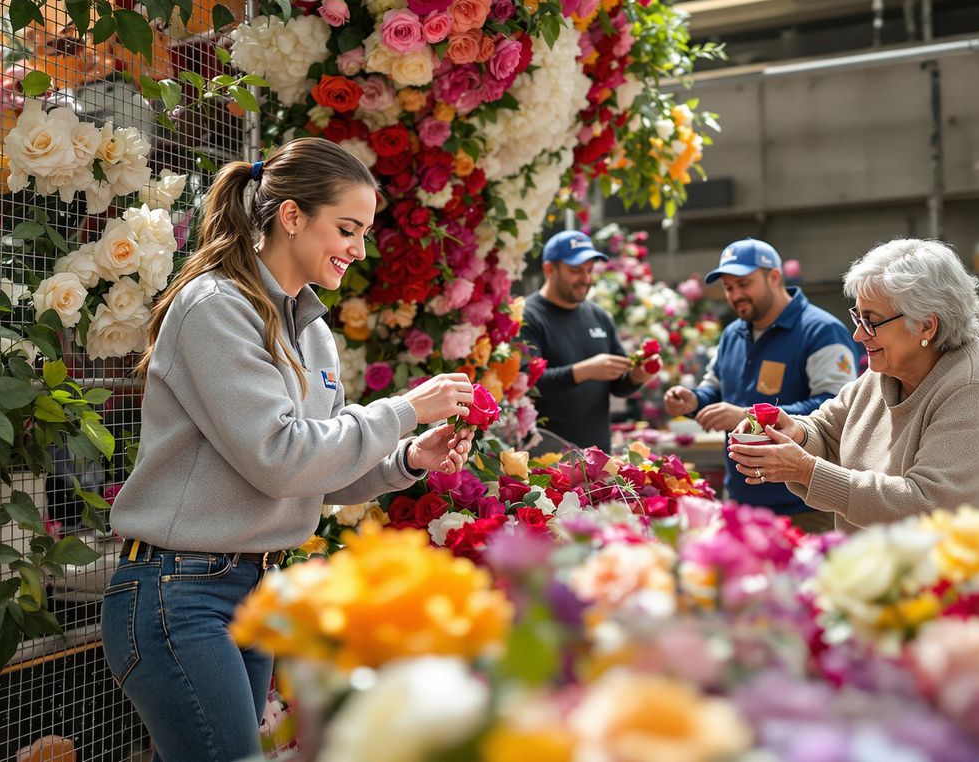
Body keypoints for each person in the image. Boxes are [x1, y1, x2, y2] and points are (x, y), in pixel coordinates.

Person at [100, 138, 477, 761]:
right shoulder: (216, 306)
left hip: (251, 588)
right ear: (292, 216)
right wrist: (406, 408)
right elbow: (281, 458)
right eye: (348, 229)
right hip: (177, 592)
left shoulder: (313, 331)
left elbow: (312, 474)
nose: (359, 250)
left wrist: (406, 460)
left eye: (365, 233)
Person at [727, 238, 979, 551]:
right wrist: (794, 432)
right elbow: (828, 431)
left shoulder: (976, 387)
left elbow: (925, 510)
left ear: (926, 325)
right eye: (857, 316)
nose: (859, 335)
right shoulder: (886, 372)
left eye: (871, 321)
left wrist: (805, 470)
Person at [663, 239, 857, 532]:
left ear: (775, 277)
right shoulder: (732, 334)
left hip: (805, 508)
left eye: (744, 283)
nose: (735, 294)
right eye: (728, 288)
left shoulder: (821, 330)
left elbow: (837, 407)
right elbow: (714, 389)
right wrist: (692, 400)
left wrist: (744, 415)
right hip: (742, 503)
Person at [521, 230, 660, 452]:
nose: (585, 279)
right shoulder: (527, 315)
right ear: (549, 269)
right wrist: (584, 371)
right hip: (542, 459)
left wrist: (637, 375)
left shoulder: (599, 316)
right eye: (575, 271)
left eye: (589, 270)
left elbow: (619, 385)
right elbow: (527, 382)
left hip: (597, 456)